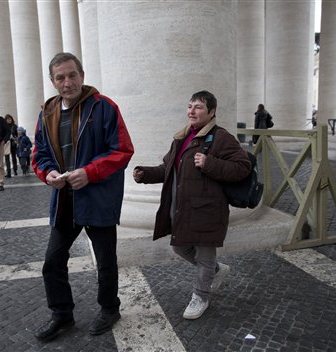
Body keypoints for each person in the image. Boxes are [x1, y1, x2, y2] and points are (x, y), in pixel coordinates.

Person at [32, 52, 134, 341]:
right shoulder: (47, 113)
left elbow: (122, 150)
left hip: (97, 196)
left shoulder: (104, 107)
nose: (67, 82)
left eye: (72, 75)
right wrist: (48, 174)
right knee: (52, 261)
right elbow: (39, 155)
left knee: (105, 260)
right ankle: (62, 315)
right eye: (60, 77)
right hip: (65, 199)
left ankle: (110, 309)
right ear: (52, 82)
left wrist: (90, 172)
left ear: (82, 75)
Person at [133, 90, 251, 320]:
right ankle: (216, 271)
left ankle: (201, 296)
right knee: (179, 247)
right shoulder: (181, 137)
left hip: (208, 209)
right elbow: (167, 169)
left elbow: (243, 166)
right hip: (184, 207)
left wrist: (210, 163)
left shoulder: (220, 137)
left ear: (211, 112)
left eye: (198, 107)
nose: (191, 111)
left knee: (205, 255)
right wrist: (145, 174)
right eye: (189, 106)